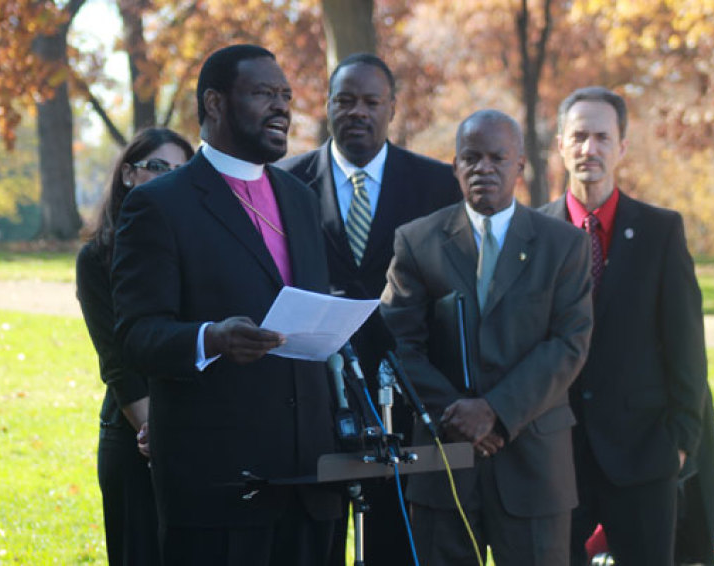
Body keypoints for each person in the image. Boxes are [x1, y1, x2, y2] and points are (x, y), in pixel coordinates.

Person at [111, 44, 341, 566]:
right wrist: (210, 338)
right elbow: (135, 336)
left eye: (285, 95)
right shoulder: (160, 204)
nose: (282, 107)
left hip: (310, 482)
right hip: (219, 485)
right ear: (214, 104)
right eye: (264, 94)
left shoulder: (301, 198)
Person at [380, 110, 593, 565]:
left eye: (498, 158)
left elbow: (568, 343)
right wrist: (458, 417)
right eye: (471, 158)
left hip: (534, 463)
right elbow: (400, 346)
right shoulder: (417, 242)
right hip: (445, 464)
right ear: (455, 165)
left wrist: (495, 412)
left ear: (520, 166)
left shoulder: (564, 246)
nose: (484, 168)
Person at [279, 52, 462, 566]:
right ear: (329, 106)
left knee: (397, 542)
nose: (357, 111)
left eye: (371, 101)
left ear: (392, 108)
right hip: (314, 393)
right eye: (345, 100)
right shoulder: (286, 183)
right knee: (315, 538)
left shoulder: (438, 186)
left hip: (406, 391)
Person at [541, 86, 713, 566]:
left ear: (622, 147)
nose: (588, 149)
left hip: (643, 457)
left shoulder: (661, 231)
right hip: (556, 459)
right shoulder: (533, 233)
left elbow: (686, 348)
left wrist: (680, 442)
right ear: (560, 145)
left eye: (601, 136)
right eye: (578, 136)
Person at [77, 128, 195, 566]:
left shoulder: (194, 249)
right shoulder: (97, 258)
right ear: (128, 173)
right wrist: (154, 432)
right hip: (134, 433)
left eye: (183, 172)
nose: (171, 180)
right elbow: (117, 360)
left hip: (198, 428)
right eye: (159, 168)